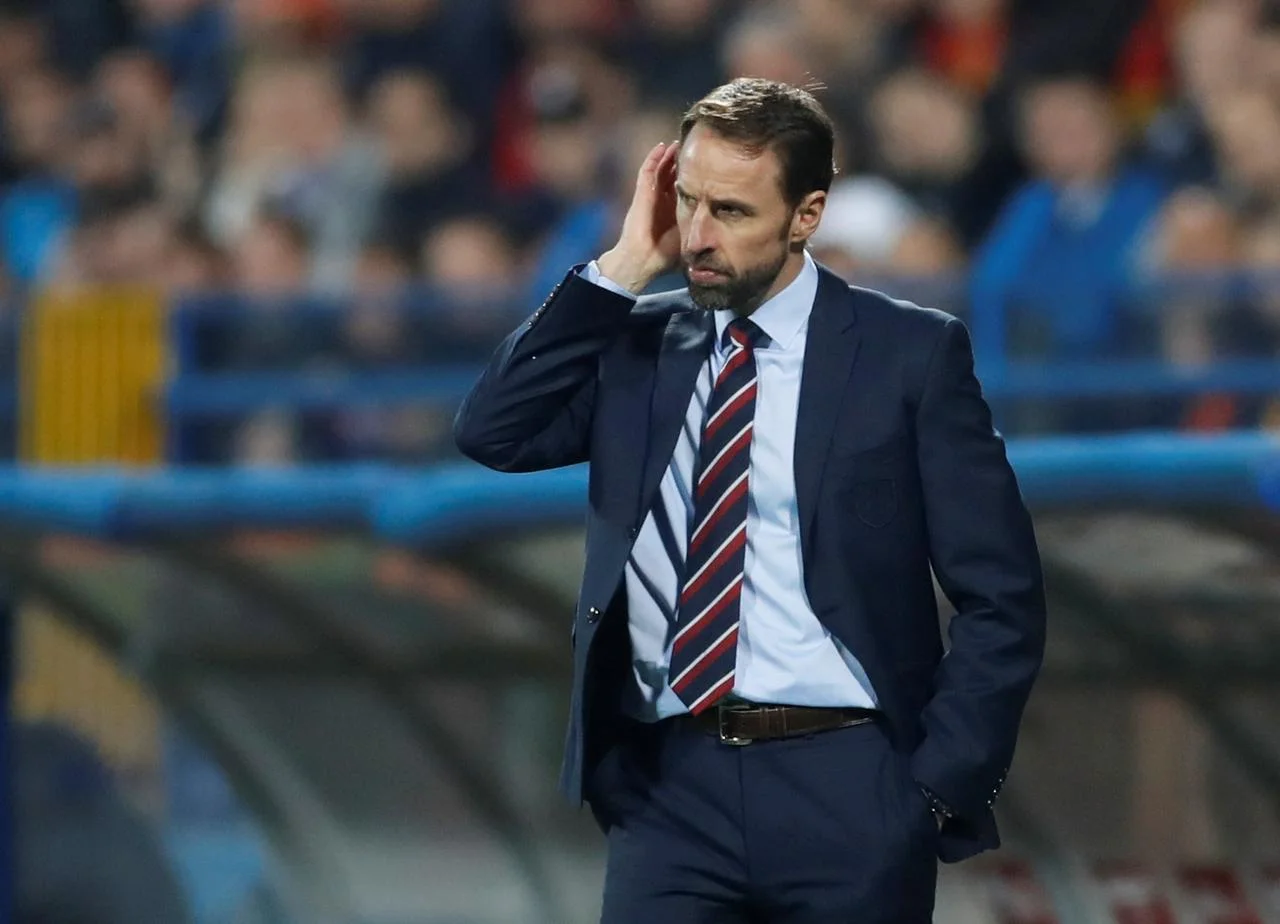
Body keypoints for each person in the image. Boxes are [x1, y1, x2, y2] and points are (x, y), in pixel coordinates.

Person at [454, 78, 1046, 923]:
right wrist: (624, 266)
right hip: (668, 793)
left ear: (806, 215)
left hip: (850, 785)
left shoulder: (908, 355)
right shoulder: (637, 346)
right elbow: (493, 431)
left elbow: (1003, 596)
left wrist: (936, 789)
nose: (698, 235)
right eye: (688, 201)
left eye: (730, 211)